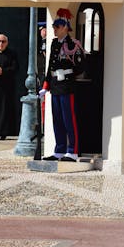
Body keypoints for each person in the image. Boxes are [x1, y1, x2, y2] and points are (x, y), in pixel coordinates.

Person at [40, 9, 85, 161]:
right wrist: (45, 87)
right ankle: (59, 150)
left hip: (66, 86)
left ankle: (72, 151)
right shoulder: (54, 44)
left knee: (69, 119)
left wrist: (67, 72)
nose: (54, 29)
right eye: (54, 27)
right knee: (57, 119)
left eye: (57, 27)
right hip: (55, 86)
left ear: (65, 27)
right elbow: (50, 67)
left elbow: (81, 67)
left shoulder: (73, 44)